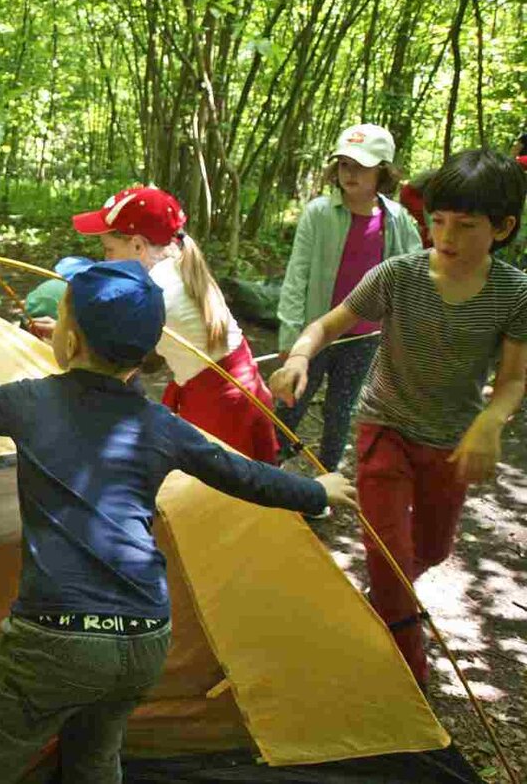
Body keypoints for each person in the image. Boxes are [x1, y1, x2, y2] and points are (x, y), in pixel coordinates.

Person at [0, 259, 359, 784]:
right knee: (93, 761)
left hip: (56, 636)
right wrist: (314, 491)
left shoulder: (28, 401)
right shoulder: (160, 425)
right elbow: (241, 474)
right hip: (144, 636)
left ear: (68, 343)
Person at [270, 148, 527, 686]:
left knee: (430, 550)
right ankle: (406, 675)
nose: (446, 237)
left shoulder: (515, 293)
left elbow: (513, 380)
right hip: (384, 427)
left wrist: (490, 422)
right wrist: (298, 355)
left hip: (448, 442)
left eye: (465, 225)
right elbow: (328, 325)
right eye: (437, 221)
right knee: (388, 551)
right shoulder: (398, 275)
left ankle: (382, 600)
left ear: (502, 228)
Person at [29, 187, 281, 464]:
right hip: (229, 388)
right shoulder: (176, 262)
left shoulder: (158, 289)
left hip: (222, 405)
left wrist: (65, 336)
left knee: (217, 492)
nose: (105, 260)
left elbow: (112, 357)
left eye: (109, 249)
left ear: (138, 246)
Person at [276, 124, 421, 477]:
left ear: (383, 171)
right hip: (315, 333)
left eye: (360, 165)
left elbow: (414, 277)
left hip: (365, 338)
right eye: (343, 164)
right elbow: (297, 276)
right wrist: (289, 335)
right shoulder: (319, 213)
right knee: (290, 404)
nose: (349, 173)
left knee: (341, 409)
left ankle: (326, 481)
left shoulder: (397, 220)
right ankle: (267, 470)